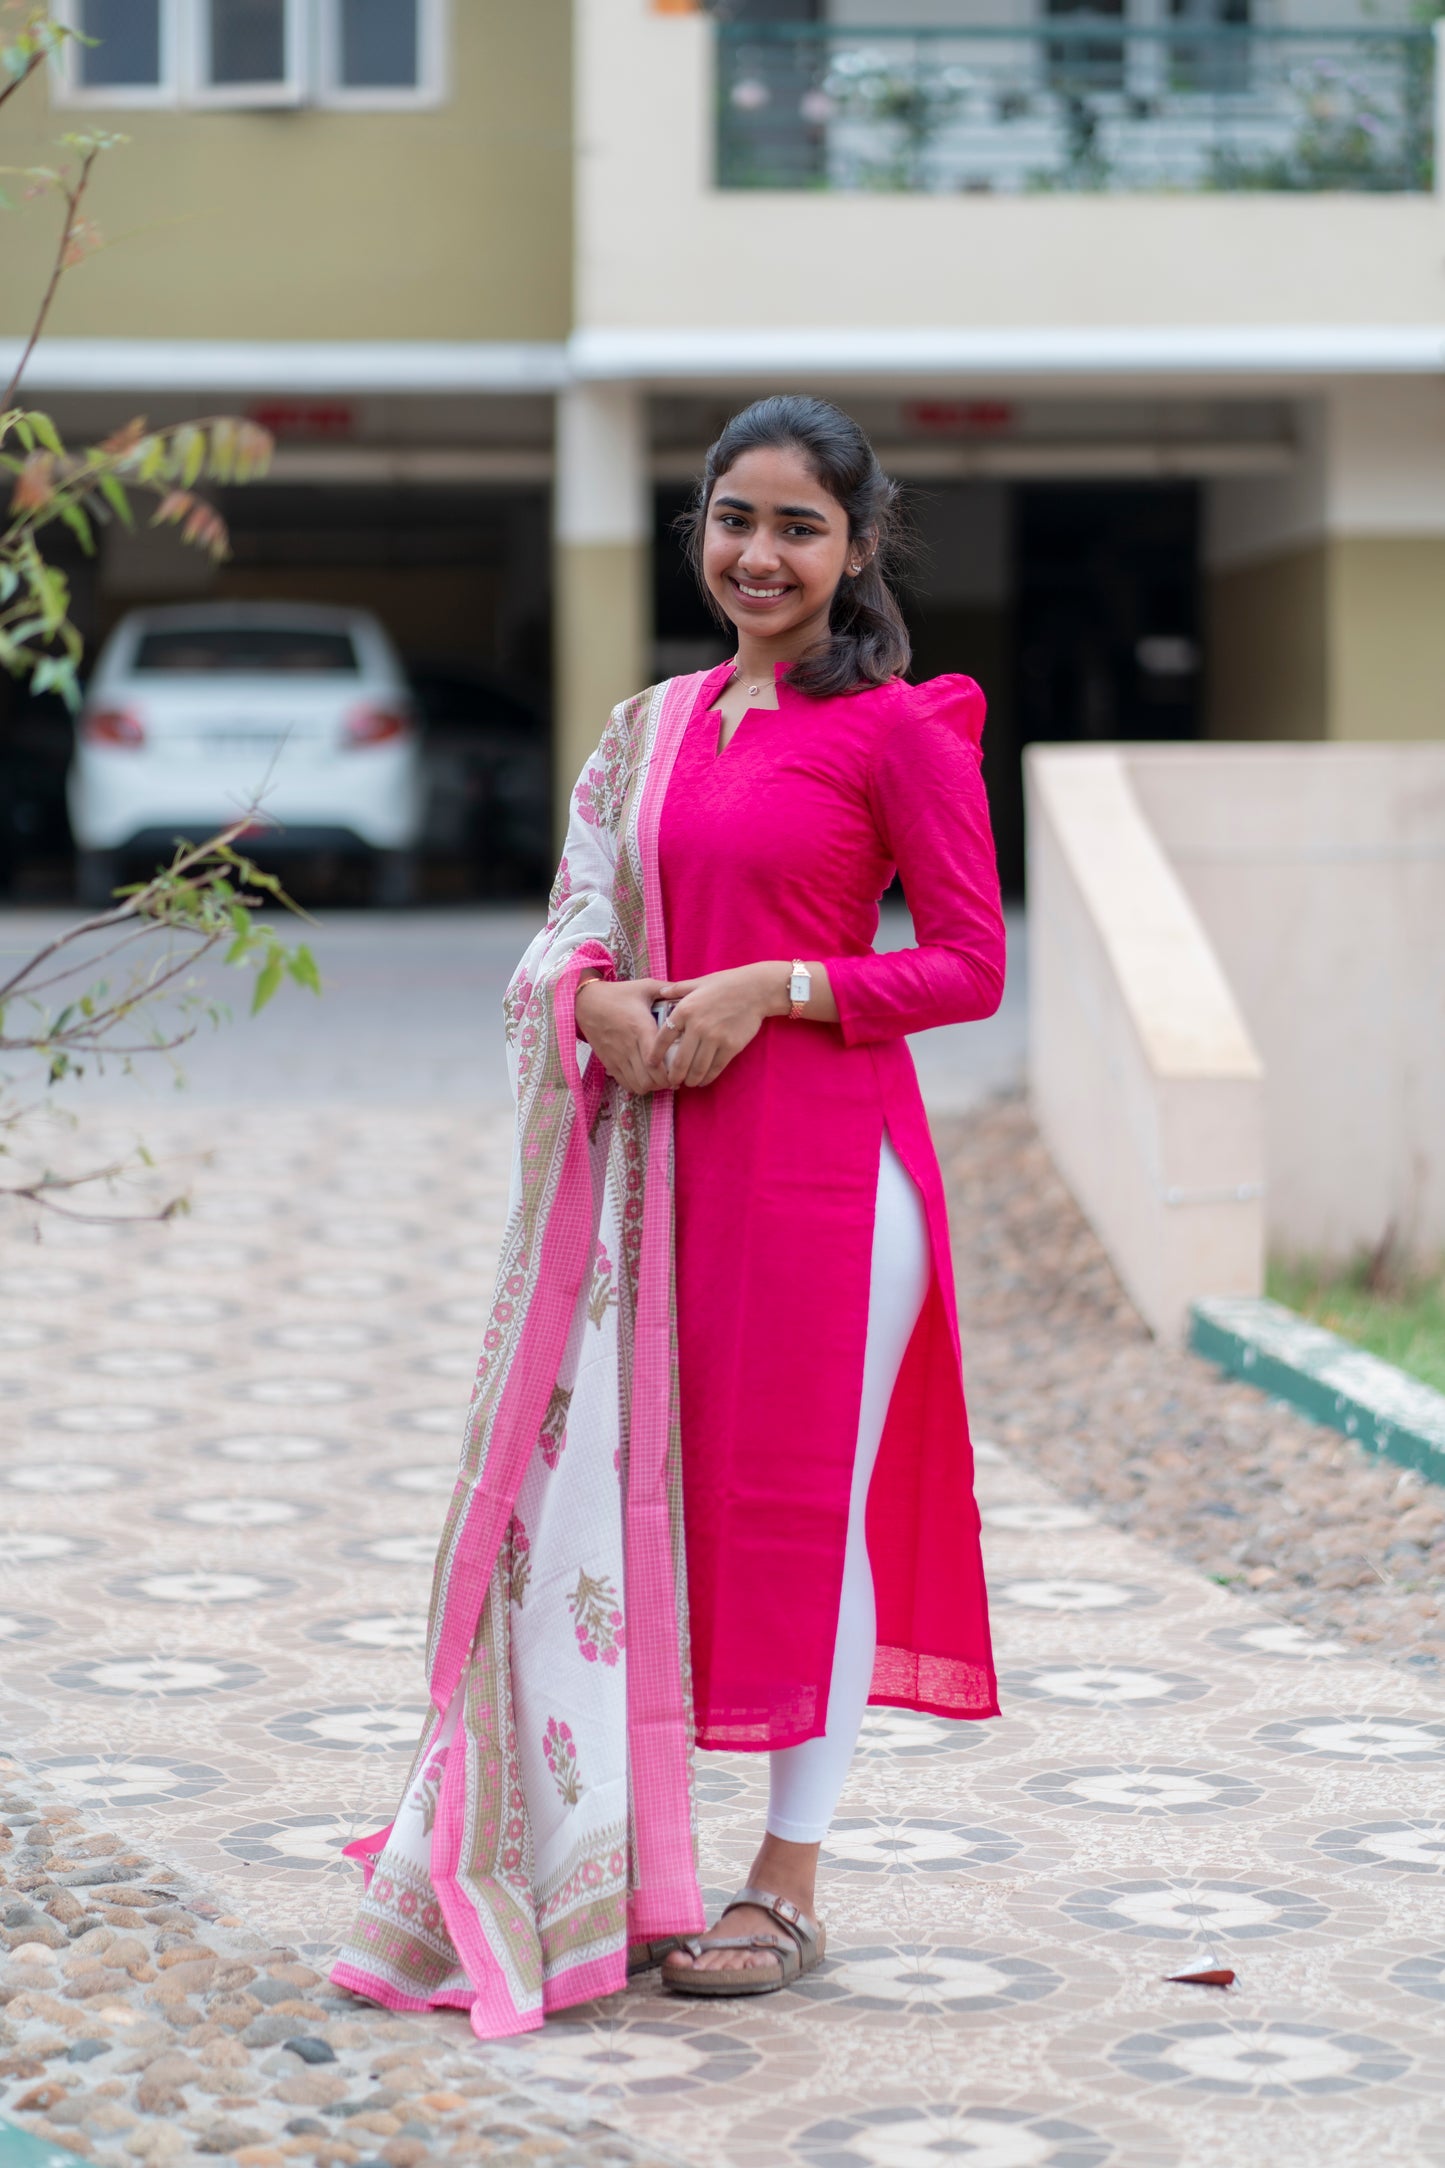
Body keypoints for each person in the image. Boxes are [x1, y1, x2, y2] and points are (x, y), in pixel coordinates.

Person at [332, 395, 1005, 2036]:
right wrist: (591, 1005)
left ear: (856, 552)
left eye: (797, 527)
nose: (758, 554)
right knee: (625, 1517)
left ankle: (789, 1879)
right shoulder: (642, 729)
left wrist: (772, 989)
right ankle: (620, 1864)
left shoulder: (899, 730)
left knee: (801, 1519)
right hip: (651, 1178)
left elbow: (967, 965)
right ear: (695, 532)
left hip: (832, 1182)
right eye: (732, 519)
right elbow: (572, 920)